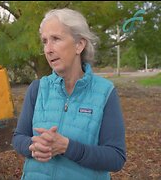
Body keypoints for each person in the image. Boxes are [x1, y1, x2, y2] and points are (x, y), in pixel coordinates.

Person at [12, 8, 126, 180]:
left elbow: (116, 158)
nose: (48, 49)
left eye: (56, 39)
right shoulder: (37, 89)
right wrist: (33, 146)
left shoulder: (105, 92)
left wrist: (67, 147)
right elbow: (18, 137)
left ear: (79, 44)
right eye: (44, 41)